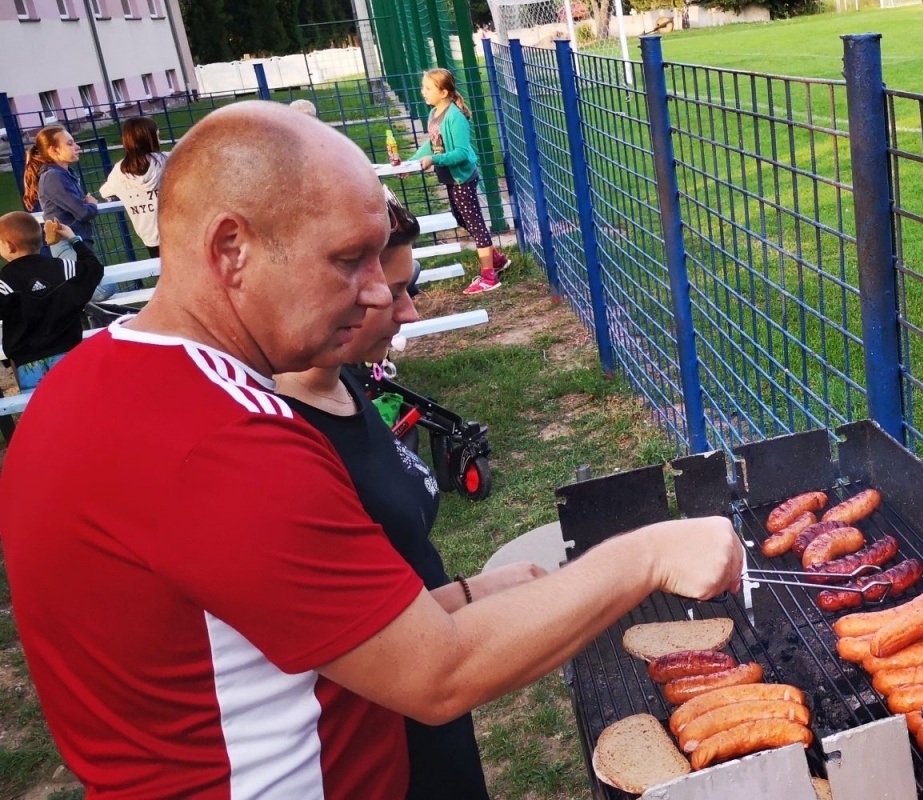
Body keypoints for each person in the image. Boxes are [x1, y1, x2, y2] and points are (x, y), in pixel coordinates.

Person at [0, 101, 743, 797]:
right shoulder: (220, 440)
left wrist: (460, 599)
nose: (380, 293)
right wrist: (650, 553)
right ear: (231, 249)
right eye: (348, 259)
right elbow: (439, 675)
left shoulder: (90, 383)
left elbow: (255, 636)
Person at [275, 198, 536, 799]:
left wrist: (472, 594)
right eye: (395, 294)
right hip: (380, 726)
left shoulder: (343, 385)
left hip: (430, 686)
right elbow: (360, 645)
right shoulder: (290, 439)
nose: (409, 312)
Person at [405, 68, 508, 296]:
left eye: (428, 88)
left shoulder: (455, 117)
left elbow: (461, 153)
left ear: (443, 92)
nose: (423, 92)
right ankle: (497, 259)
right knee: (462, 218)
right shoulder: (434, 114)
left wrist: (434, 159)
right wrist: (410, 164)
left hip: (462, 178)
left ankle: (489, 277)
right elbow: (432, 144)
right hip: (450, 178)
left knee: (476, 225)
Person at [0, 214, 104, 390]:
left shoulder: (3, 283)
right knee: (75, 400)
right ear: (41, 240)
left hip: (28, 363)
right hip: (70, 354)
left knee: (41, 408)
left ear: (9, 246)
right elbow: (94, 268)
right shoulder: (64, 269)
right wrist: (74, 239)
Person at [98, 116, 167, 259]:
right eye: (157, 136)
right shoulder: (169, 160)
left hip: (150, 236)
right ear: (150, 139)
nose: (160, 141)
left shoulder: (119, 171)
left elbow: (105, 192)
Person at [22, 125, 98, 250]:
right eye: (70, 144)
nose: (77, 147)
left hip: (76, 242)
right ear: (54, 150)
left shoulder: (65, 174)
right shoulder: (53, 177)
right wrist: (92, 204)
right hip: (68, 245)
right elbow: (83, 212)